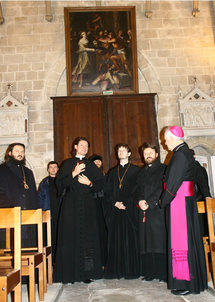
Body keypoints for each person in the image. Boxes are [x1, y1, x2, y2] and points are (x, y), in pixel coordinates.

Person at [160, 126, 208, 295]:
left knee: (183, 243)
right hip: (183, 201)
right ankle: (188, 281)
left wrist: (163, 200)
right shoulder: (184, 152)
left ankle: (186, 283)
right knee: (187, 241)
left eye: (166, 139)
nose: (164, 143)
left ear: (174, 138)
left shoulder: (180, 154)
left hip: (179, 201)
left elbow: (173, 182)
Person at [54, 137, 104, 284]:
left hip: (88, 205)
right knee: (70, 238)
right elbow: (60, 184)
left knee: (87, 238)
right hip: (71, 205)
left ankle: (86, 273)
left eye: (86, 146)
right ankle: (68, 274)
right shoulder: (67, 164)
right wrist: (73, 173)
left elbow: (101, 184)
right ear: (75, 146)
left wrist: (89, 183)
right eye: (81, 145)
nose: (84, 147)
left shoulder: (91, 165)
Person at [105, 144, 140, 279]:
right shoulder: (112, 172)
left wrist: (127, 203)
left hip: (130, 210)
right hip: (116, 211)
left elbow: (138, 190)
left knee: (130, 240)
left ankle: (131, 270)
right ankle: (116, 270)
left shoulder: (136, 170)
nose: (121, 152)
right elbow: (107, 192)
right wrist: (115, 203)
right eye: (119, 150)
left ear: (129, 153)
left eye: (124, 150)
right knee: (116, 241)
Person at [136, 143, 167, 282]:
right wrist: (140, 201)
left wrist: (150, 202)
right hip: (143, 211)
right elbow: (136, 190)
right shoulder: (141, 172)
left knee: (159, 242)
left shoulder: (164, 169)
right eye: (145, 153)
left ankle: (162, 273)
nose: (148, 155)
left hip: (157, 211)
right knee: (146, 242)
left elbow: (162, 188)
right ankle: (150, 272)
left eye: (150, 152)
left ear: (156, 154)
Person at [0, 142, 38, 247]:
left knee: (27, 245)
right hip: (9, 216)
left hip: (28, 218)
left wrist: (35, 212)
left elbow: (34, 195)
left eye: (22, 151)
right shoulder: (2, 170)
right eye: (17, 151)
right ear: (10, 153)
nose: (20, 153)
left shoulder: (28, 172)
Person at [38, 161, 59, 263]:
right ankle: (50, 263)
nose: (53, 169)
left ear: (58, 169)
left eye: (55, 167)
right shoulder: (44, 183)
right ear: (48, 170)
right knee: (49, 240)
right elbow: (40, 199)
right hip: (49, 215)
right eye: (51, 167)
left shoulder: (61, 181)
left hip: (60, 214)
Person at [89, 154, 108, 269]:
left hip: (104, 207)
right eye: (95, 162)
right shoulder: (88, 177)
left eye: (99, 161)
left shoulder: (105, 176)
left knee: (104, 234)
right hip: (92, 206)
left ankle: (105, 262)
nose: (97, 163)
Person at [190, 149, 212, 237]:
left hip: (196, 201)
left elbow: (203, 186)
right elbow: (205, 188)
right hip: (200, 200)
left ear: (194, 156)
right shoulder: (200, 169)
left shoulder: (197, 169)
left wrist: (207, 196)